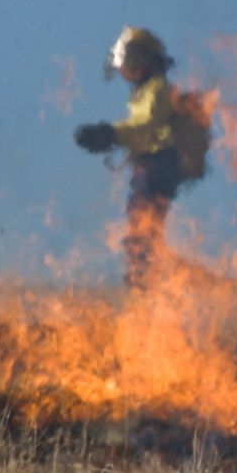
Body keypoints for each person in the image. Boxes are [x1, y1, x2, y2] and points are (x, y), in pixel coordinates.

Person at [74, 27, 182, 287]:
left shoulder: (157, 91)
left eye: (126, 64)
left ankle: (145, 279)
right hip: (150, 166)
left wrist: (111, 134)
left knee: (143, 227)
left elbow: (145, 126)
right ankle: (143, 274)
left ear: (140, 60)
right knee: (141, 225)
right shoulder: (146, 91)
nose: (122, 71)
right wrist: (113, 137)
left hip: (158, 167)